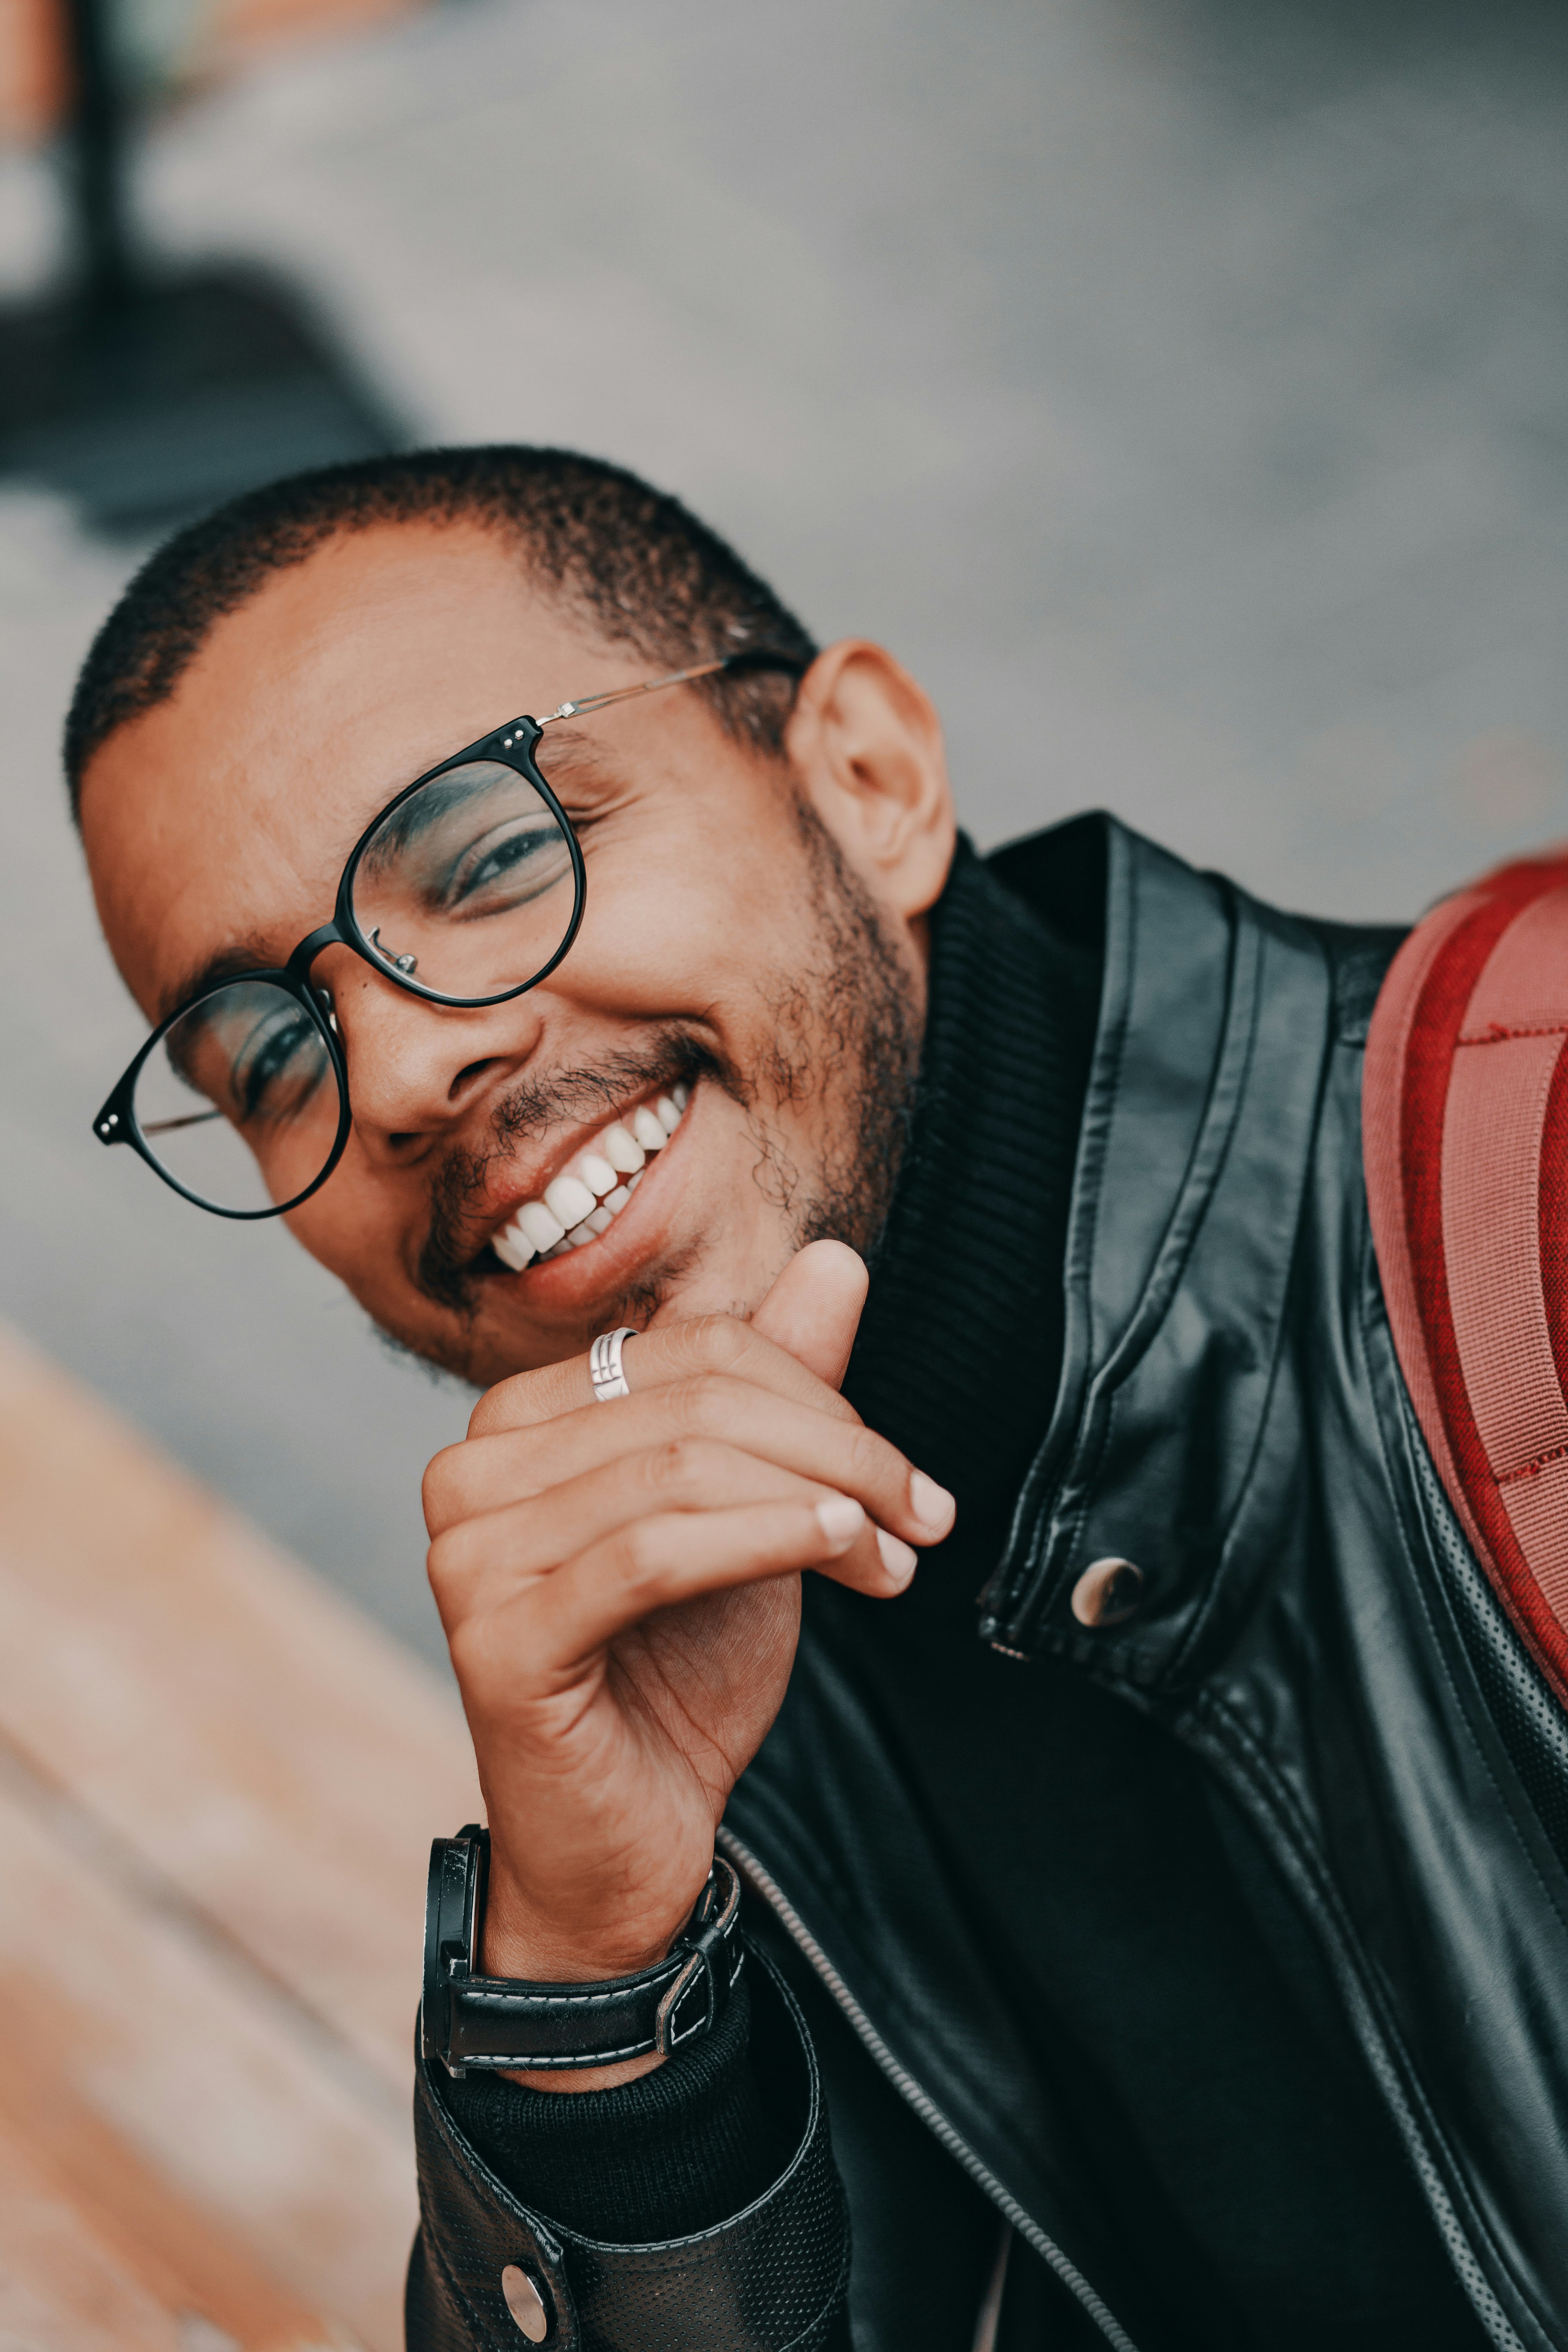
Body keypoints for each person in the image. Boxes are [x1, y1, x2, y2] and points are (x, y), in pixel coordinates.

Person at [65, 445, 1568, 2352]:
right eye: (272, 1050)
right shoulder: (677, 1698)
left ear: (869, 779)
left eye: (496, 854)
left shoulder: (1525, 1204)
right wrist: (596, 1996)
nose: (402, 1073)